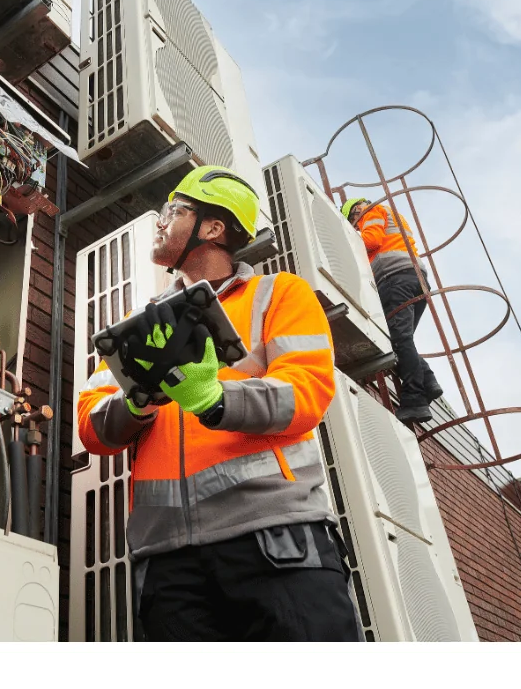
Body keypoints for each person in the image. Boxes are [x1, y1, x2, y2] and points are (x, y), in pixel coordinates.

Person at [77, 165, 362, 642]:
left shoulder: (279, 294)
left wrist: (215, 399)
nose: (161, 221)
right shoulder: (138, 325)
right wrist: (139, 402)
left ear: (212, 228)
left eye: (175, 210)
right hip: (168, 561)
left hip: (274, 537)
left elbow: (307, 392)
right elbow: (92, 426)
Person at [341, 197, 443, 424]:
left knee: (398, 338)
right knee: (401, 337)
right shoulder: (390, 215)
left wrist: (344, 241)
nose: (356, 227)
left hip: (395, 277)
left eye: (353, 223)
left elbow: (371, 240)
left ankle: (415, 400)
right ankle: (427, 379)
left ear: (356, 210)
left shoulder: (371, 210)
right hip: (414, 277)